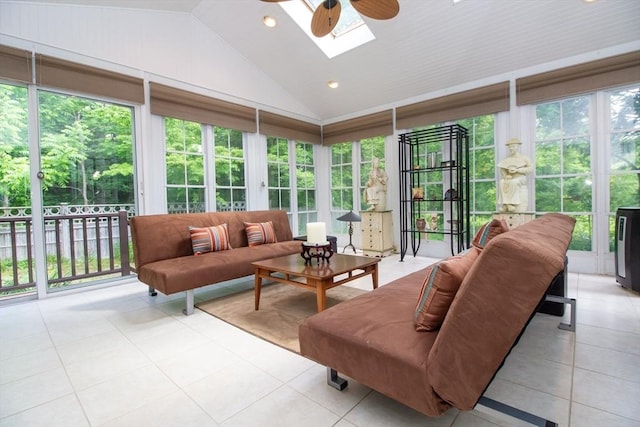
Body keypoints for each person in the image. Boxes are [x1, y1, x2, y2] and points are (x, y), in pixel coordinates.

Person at [497, 138, 532, 212]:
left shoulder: (524, 158)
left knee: (514, 182)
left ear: (517, 146)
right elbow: (502, 168)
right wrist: (506, 175)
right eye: (509, 147)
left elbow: (530, 169)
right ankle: (507, 205)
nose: (511, 148)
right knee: (502, 182)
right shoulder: (507, 158)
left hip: (520, 177)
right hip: (510, 178)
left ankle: (509, 204)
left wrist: (518, 170)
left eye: (513, 146)